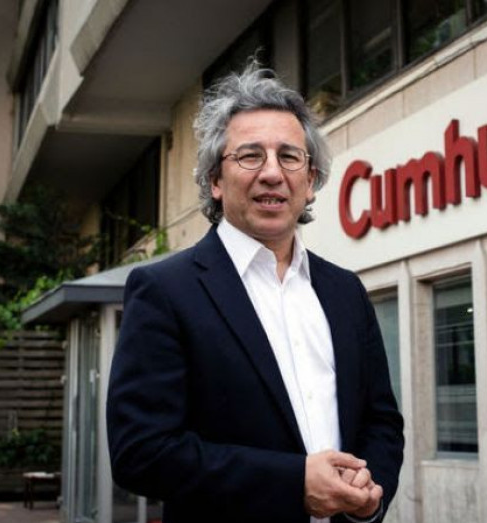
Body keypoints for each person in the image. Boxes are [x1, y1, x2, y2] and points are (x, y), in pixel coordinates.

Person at [106, 62, 404, 523]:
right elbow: (141, 451)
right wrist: (294, 483)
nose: (272, 173)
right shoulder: (165, 291)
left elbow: (381, 422)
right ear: (215, 181)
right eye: (250, 156)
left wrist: (369, 496)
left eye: (289, 156)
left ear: (310, 181)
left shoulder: (345, 290)